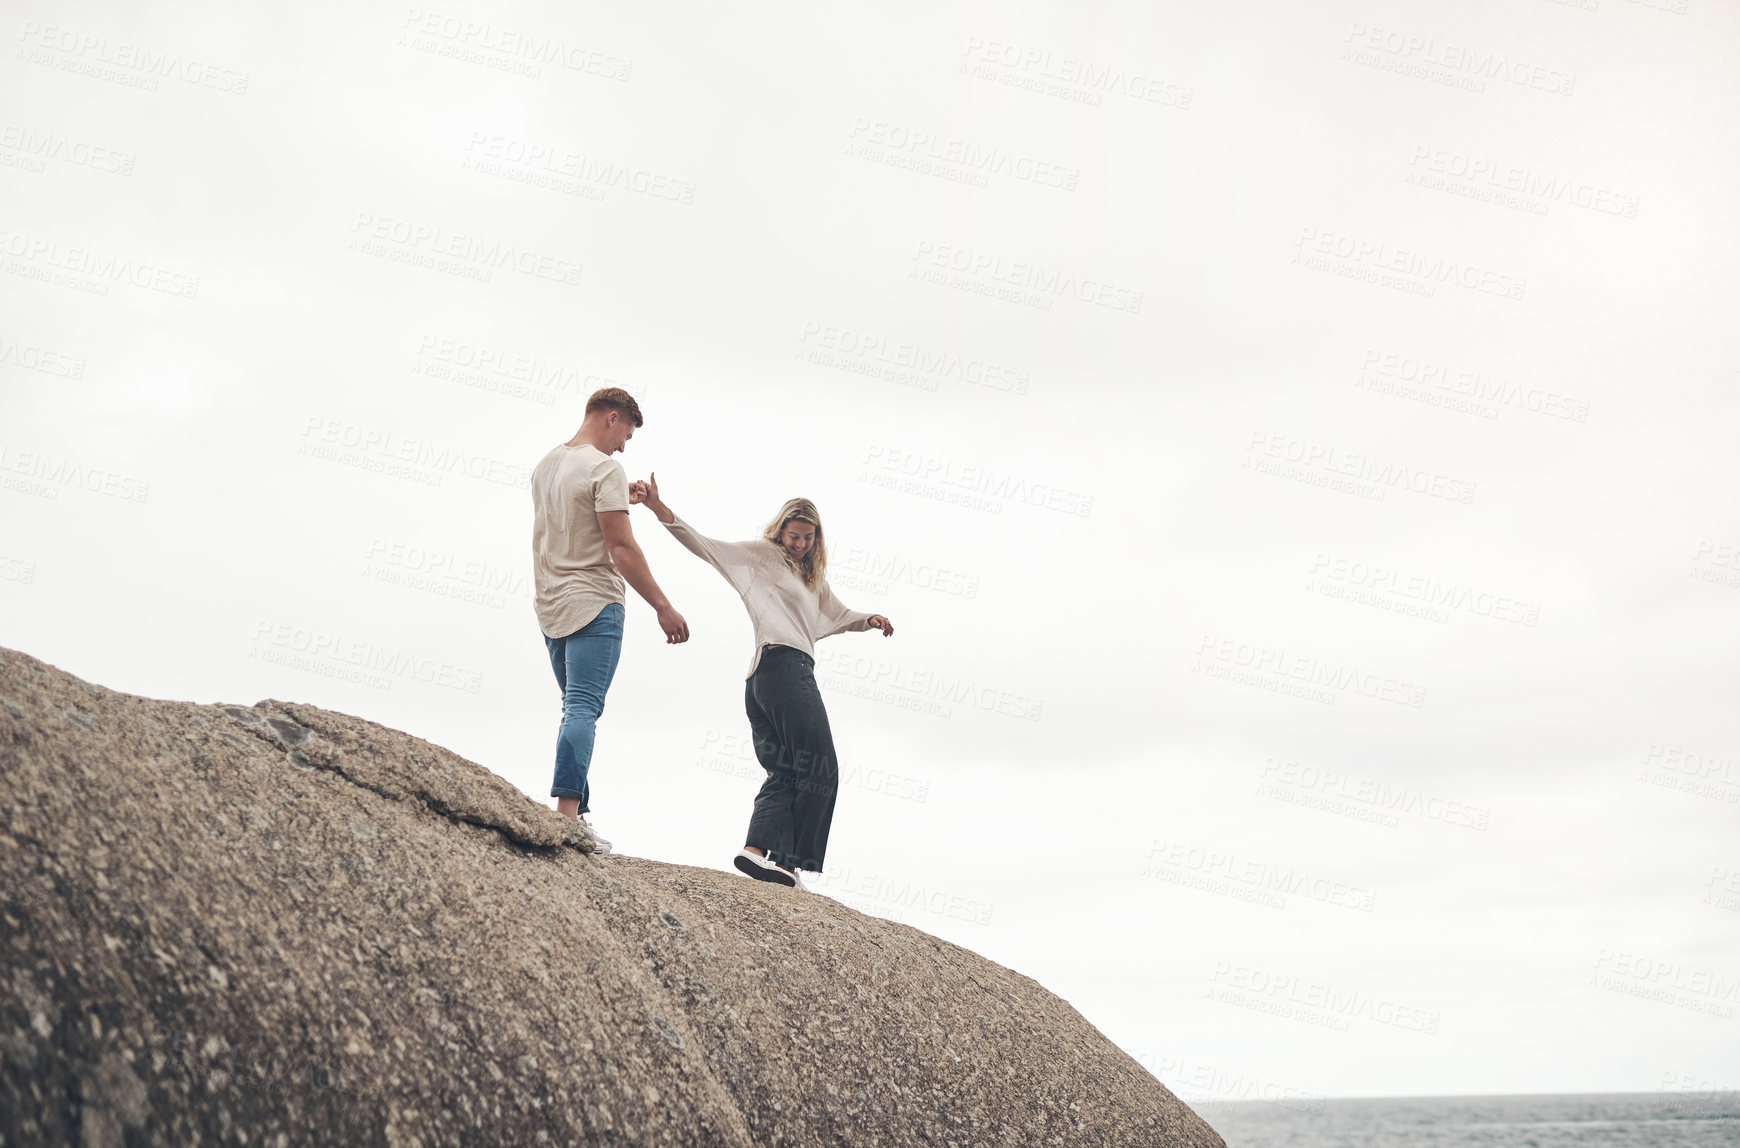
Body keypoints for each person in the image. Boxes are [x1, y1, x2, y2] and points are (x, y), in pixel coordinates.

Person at [628, 472, 892, 890]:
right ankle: (787, 862)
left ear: (816, 540)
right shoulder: (760, 557)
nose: (799, 544)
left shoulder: (812, 580)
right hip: (783, 668)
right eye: (793, 535)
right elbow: (705, 546)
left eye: (807, 538)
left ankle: (755, 851)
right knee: (820, 765)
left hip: (765, 682)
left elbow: (837, 615)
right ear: (780, 530)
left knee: (785, 770)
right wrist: (658, 507)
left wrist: (869, 620)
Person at [530, 389, 689, 854]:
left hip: (550, 605)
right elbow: (620, 547)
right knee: (582, 707)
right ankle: (565, 815)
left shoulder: (546, 465)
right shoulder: (604, 468)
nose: (624, 446)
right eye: (627, 434)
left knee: (573, 706)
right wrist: (663, 605)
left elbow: (566, 525)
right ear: (612, 417)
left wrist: (627, 498)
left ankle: (576, 814)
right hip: (596, 602)